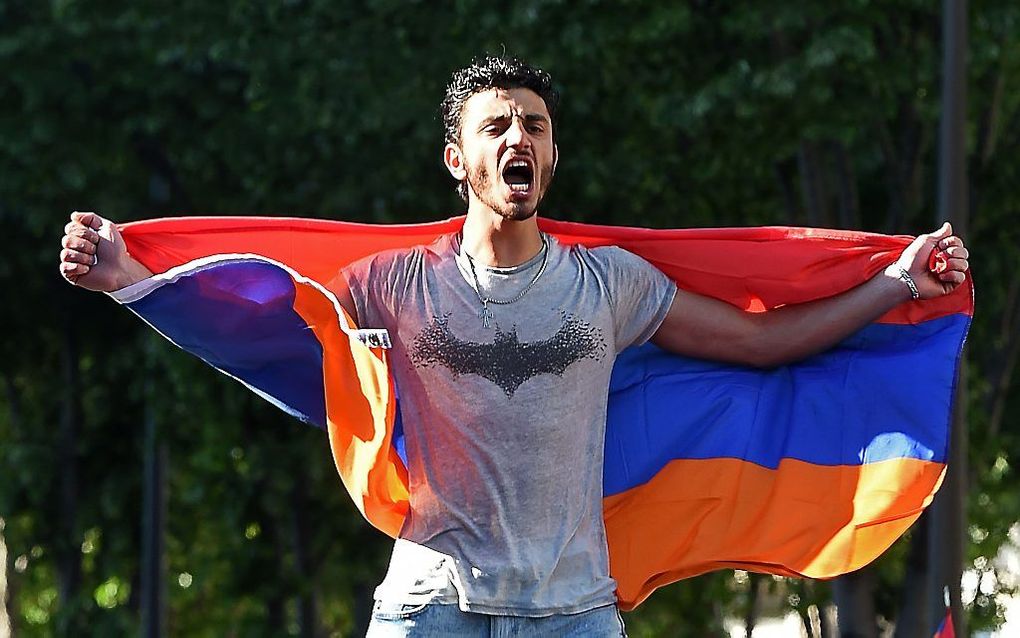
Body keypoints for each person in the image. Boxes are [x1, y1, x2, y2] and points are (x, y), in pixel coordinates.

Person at [59, 56, 970, 637]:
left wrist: (899, 283)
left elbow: (766, 347)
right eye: (495, 126)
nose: (517, 137)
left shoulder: (612, 285)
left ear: (553, 155)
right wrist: (129, 272)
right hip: (430, 611)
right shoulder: (391, 285)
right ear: (459, 160)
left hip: (572, 617)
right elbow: (254, 306)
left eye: (532, 124)